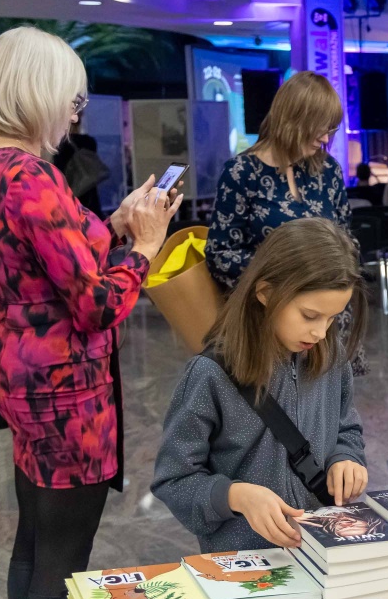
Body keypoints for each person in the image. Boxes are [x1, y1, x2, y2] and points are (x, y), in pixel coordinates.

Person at [0, 27, 183, 599]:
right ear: (38, 93)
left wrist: (115, 224)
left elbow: (50, 260)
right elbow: (97, 306)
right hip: (65, 387)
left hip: (18, 367)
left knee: (33, 539)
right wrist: (145, 248)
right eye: (72, 99)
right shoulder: (32, 177)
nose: (74, 114)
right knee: (62, 559)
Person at [153, 219, 369, 552]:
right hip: (245, 563)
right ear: (266, 293)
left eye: (332, 318)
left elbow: (347, 429)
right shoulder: (211, 374)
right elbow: (174, 479)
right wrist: (235, 496)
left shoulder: (331, 357)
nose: (321, 333)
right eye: (310, 316)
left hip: (320, 549)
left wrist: (346, 458)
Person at [207, 71, 349, 292]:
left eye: (330, 130)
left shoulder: (328, 169)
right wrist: (285, 275)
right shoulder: (241, 172)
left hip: (328, 310)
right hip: (268, 309)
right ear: (291, 120)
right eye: (318, 129)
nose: (324, 139)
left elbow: (347, 239)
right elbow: (220, 255)